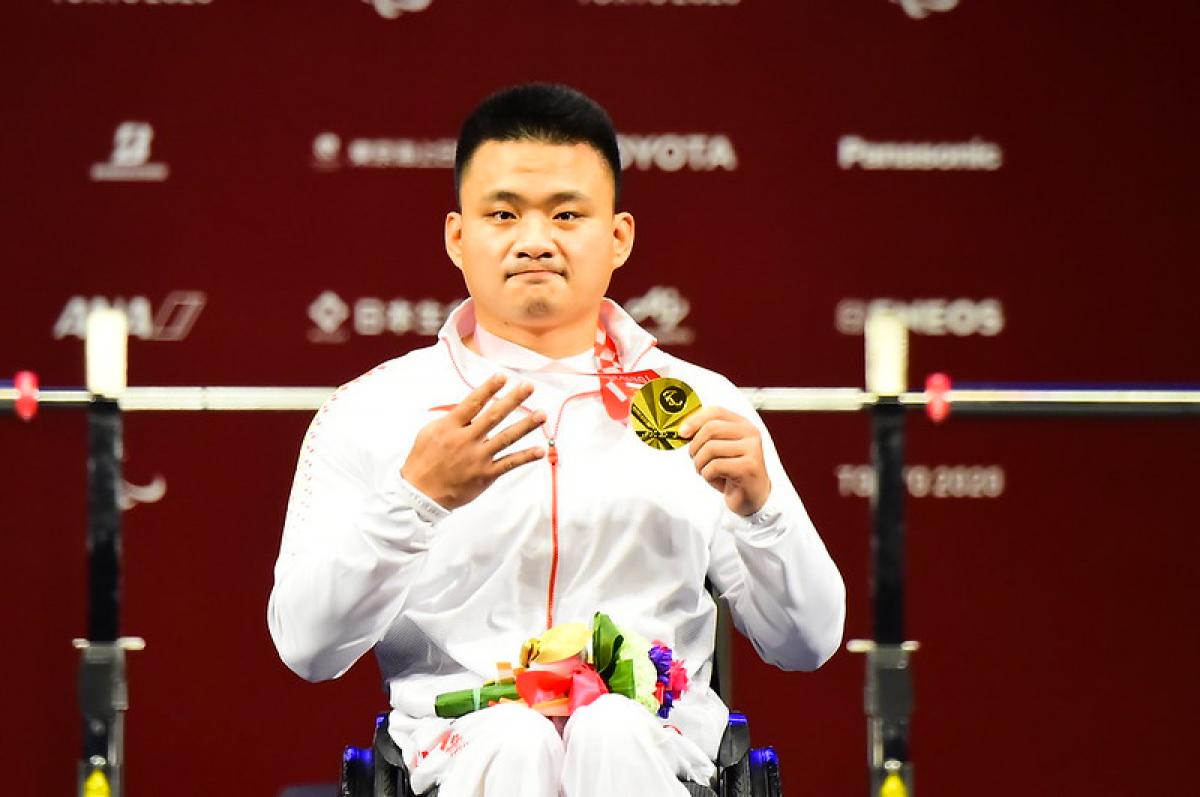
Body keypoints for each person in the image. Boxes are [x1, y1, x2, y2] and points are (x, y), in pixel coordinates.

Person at [268, 83, 845, 797]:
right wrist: (414, 501)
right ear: (457, 236)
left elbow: (809, 641)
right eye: (503, 213)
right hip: (456, 757)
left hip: (658, 753)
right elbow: (307, 647)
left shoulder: (701, 404)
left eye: (567, 214)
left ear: (619, 236)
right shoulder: (376, 410)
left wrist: (763, 512)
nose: (535, 239)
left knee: (610, 729)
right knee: (514, 737)